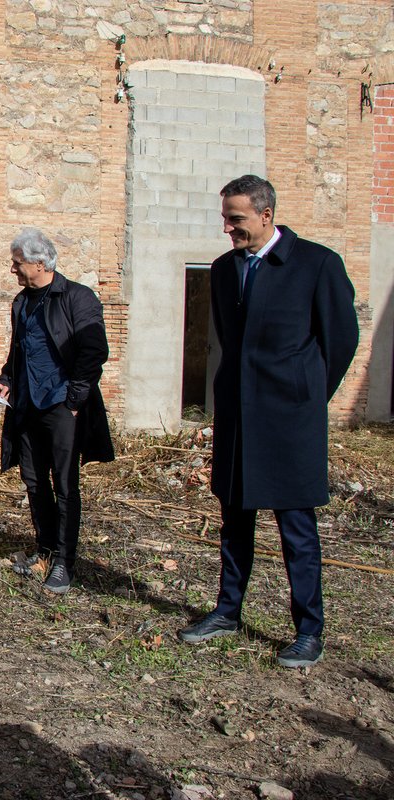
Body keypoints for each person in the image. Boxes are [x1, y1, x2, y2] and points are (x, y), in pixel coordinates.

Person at [178, 175, 358, 668]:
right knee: (234, 521)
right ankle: (227, 611)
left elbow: (340, 341)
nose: (227, 228)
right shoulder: (223, 269)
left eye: (235, 219)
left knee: (296, 530)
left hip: (289, 423)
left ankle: (308, 631)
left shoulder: (317, 265)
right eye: (224, 218)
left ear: (265, 215)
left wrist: (306, 395)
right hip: (238, 420)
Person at [0, 228, 114, 594]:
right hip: (27, 406)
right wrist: (6, 377)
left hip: (62, 407)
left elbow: (95, 352)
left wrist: (75, 400)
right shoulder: (22, 302)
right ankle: (45, 548)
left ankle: (64, 560)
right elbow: (21, 350)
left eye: (18, 263)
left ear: (40, 262)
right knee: (33, 479)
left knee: (64, 484)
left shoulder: (77, 297)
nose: (13, 270)